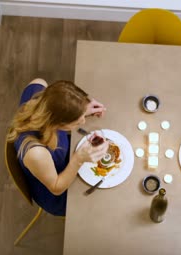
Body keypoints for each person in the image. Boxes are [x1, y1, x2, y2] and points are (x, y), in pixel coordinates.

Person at [7, 79, 109, 216]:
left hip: (62, 159)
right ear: (59, 122)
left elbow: (41, 82)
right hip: (57, 190)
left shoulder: (39, 94)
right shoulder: (36, 153)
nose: (83, 121)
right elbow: (56, 187)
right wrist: (78, 159)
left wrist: (81, 107)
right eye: (78, 122)